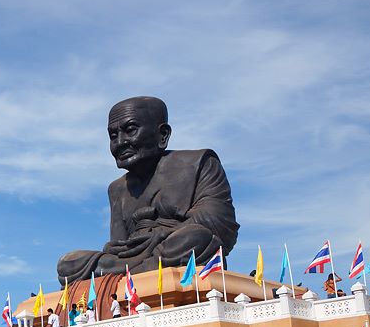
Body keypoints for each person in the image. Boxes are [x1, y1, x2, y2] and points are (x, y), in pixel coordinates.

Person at [58, 96, 239, 282]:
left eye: (130, 131)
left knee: (194, 237)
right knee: (69, 264)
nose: (120, 142)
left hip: (174, 248)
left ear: (163, 135)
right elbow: (121, 245)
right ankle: (139, 274)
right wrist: (116, 249)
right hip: (137, 257)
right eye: (113, 136)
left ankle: (131, 276)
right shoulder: (117, 189)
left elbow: (218, 222)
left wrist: (159, 234)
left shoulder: (199, 163)